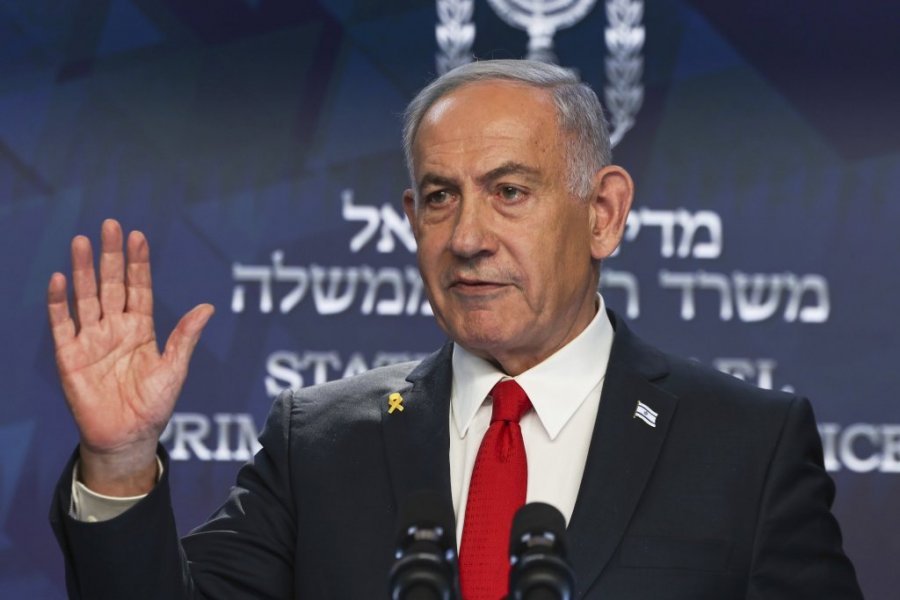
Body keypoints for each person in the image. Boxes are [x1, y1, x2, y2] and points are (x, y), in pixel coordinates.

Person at [48, 59, 863, 599]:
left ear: (604, 214)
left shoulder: (746, 446)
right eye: (441, 197)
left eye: (510, 191)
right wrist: (119, 462)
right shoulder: (317, 445)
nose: (468, 236)